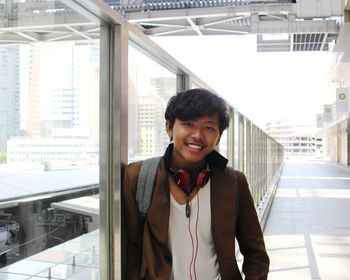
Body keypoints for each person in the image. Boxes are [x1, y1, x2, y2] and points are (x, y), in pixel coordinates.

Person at [122, 88, 269, 279]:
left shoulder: (233, 182)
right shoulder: (138, 176)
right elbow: (131, 247)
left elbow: (256, 253)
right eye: (188, 124)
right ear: (169, 127)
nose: (198, 135)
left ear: (218, 136)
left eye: (209, 127)